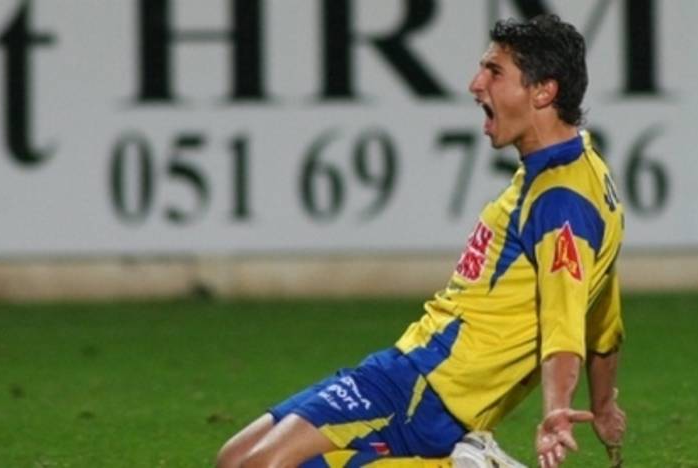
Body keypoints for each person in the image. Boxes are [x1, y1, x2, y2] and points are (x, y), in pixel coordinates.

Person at [216, 14, 626, 468]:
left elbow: (564, 326)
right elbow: (602, 308)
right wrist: (603, 403)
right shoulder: (583, 173)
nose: (475, 84)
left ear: (543, 91)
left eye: (495, 72)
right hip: (410, 368)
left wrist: (556, 411)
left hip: (428, 388)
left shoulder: (559, 200)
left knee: (260, 466)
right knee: (234, 459)